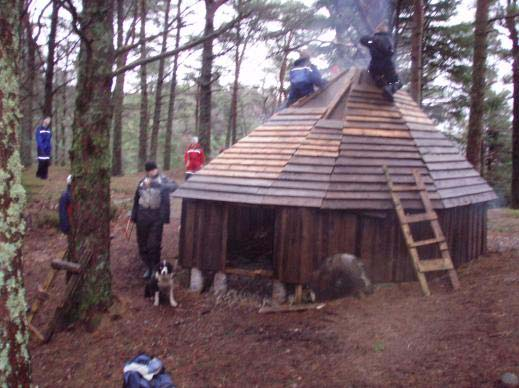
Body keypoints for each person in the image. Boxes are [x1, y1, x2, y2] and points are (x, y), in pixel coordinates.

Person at [131, 161, 178, 279]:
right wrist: (134, 215)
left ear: (157, 169)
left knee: (154, 245)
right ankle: (148, 267)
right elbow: (136, 199)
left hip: (157, 216)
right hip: (142, 215)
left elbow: (174, 187)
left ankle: (154, 267)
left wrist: (156, 185)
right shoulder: (142, 182)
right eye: (149, 170)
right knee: (142, 245)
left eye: (153, 169)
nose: (152, 172)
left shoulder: (164, 180)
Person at [360, 23, 402, 102]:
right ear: (385, 30)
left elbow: (363, 40)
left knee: (373, 73)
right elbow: (390, 52)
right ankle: (388, 89)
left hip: (374, 66)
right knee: (398, 82)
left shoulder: (373, 40)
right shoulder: (389, 39)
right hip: (387, 65)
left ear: (378, 30)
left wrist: (373, 40)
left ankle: (378, 81)